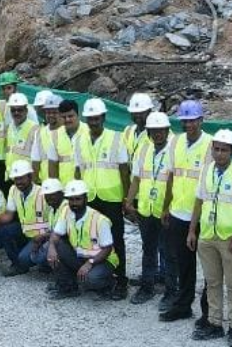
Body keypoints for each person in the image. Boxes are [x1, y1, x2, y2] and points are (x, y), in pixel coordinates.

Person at [187, 130, 232, 347]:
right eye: (216, 149)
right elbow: (199, 201)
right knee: (212, 282)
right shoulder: (206, 170)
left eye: (224, 150)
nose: (219, 154)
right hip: (207, 235)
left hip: (230, 239)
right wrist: (192, 230)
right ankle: (214, 323)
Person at [159, 99, 213, 323]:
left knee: (210, 266)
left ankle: (210, 311)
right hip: (179, 212)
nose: (188, 125)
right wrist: (166, 206)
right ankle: (183, 304)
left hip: (203, 215)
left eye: (192, 121)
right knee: (184, 262)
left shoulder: (211, 144)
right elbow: (171, 175)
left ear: (200, 120)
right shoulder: (176, 143)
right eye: (184, 121)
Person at [75, 97, 130, 300]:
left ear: (104, 118)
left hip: (111, 198)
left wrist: (126, 197)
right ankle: (101, 275)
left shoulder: (116, 138)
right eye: (90, 119)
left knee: (116, 240)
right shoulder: (80, 140)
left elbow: (124, 170)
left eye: (96, 118)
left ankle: (121, 279)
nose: (93, 122)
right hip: (90, 198)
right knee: (94, 238)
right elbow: (79, 170)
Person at [124, 111, 174, 306]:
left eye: (161, 130)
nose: (157, 134)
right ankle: (147, 286)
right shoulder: (144, 151)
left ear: (167, 131)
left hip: (164, 210)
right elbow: (136, 178)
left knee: (169, 252)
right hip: (146, 209)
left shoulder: (173, 151)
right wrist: (129, 200)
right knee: (148, 249)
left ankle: (171, 290)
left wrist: (168, 207)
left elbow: (174, 181)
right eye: (153, 131)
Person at [47, 180, 117, 299]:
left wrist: (89, 264)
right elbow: (56, 234)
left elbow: (107, 249)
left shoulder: (100, 220)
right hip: (81, 256)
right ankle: (68, 288)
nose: (74, 203)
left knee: (90, 280)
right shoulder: (66, 212)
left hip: (102, 260)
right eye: (71, 199)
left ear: (86, 199)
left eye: (78, 199)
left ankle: (110, 283)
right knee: (57, 246)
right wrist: (51, 248)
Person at [0, 162, 59, 277]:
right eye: (16, 179)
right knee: (5, 230)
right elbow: (9, 215)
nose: (18, 182)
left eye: (21, 178)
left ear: (30, 176)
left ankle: (46, 265)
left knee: (26, 258)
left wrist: (44, 236)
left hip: (43, 235)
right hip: (26, 231)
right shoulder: (13, 190)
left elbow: (57, 221)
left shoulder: (43, 192)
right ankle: (18, 265)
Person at [3, 93, 39, 184]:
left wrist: (33, 179)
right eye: (13, 110)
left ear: (26, 111)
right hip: (11, 176)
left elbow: (38, 158)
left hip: (26, 178)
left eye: (20, 110)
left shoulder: (35, 129)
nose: (16, 113)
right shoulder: (9, 128)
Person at [122, 93, 156, 158]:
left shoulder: (160, 131)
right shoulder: (128, 131)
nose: (137, 115)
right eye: (135, 112)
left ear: (149, 111)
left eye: (141, 112)